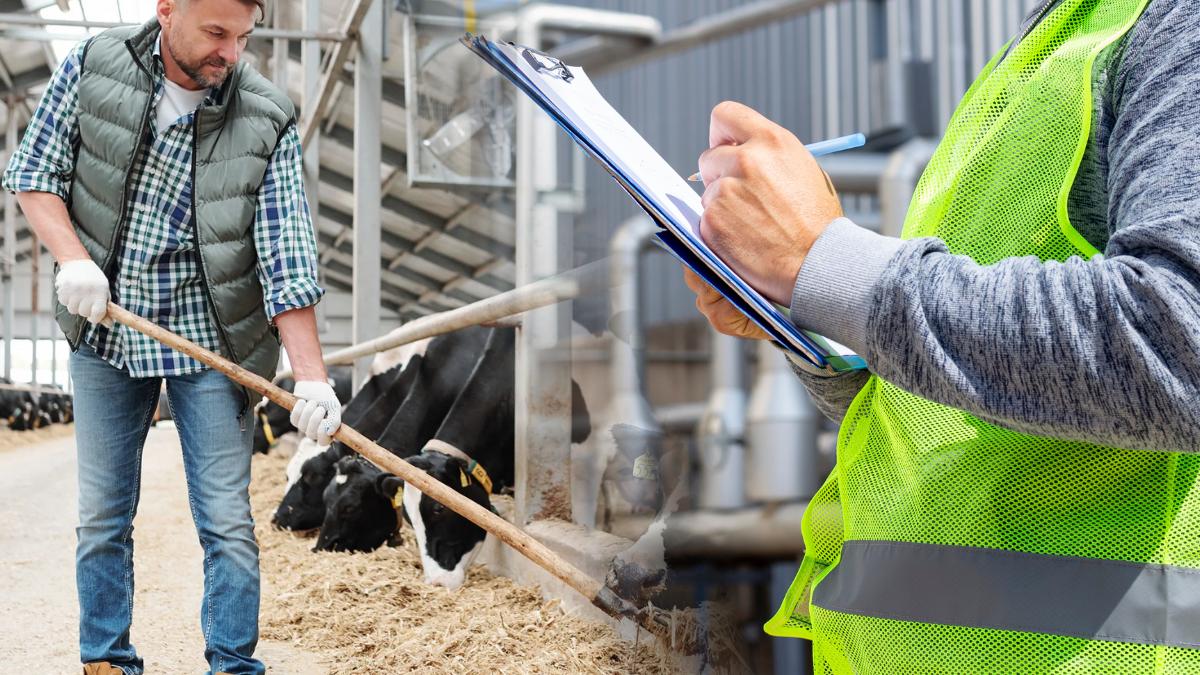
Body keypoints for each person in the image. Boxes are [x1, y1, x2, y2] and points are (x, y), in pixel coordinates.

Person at [685, 0, 1200, 671]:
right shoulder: (1054, 41)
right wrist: (804, 305)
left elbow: (1179, 344)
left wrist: (825, 262)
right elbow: (953, 419)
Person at [3, 1, 344, 673]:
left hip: (213, 339)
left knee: (227, 522)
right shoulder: (94, 67)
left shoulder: (266, 114)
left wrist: (310, 374)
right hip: (106, 328)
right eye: (217, 32)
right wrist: (73, 259)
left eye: (243, 36)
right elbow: (34, 175)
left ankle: (233, 664)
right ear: (166, 10)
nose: (231, 52)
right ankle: (106, 659)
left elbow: (287, 252)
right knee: (102, 514)